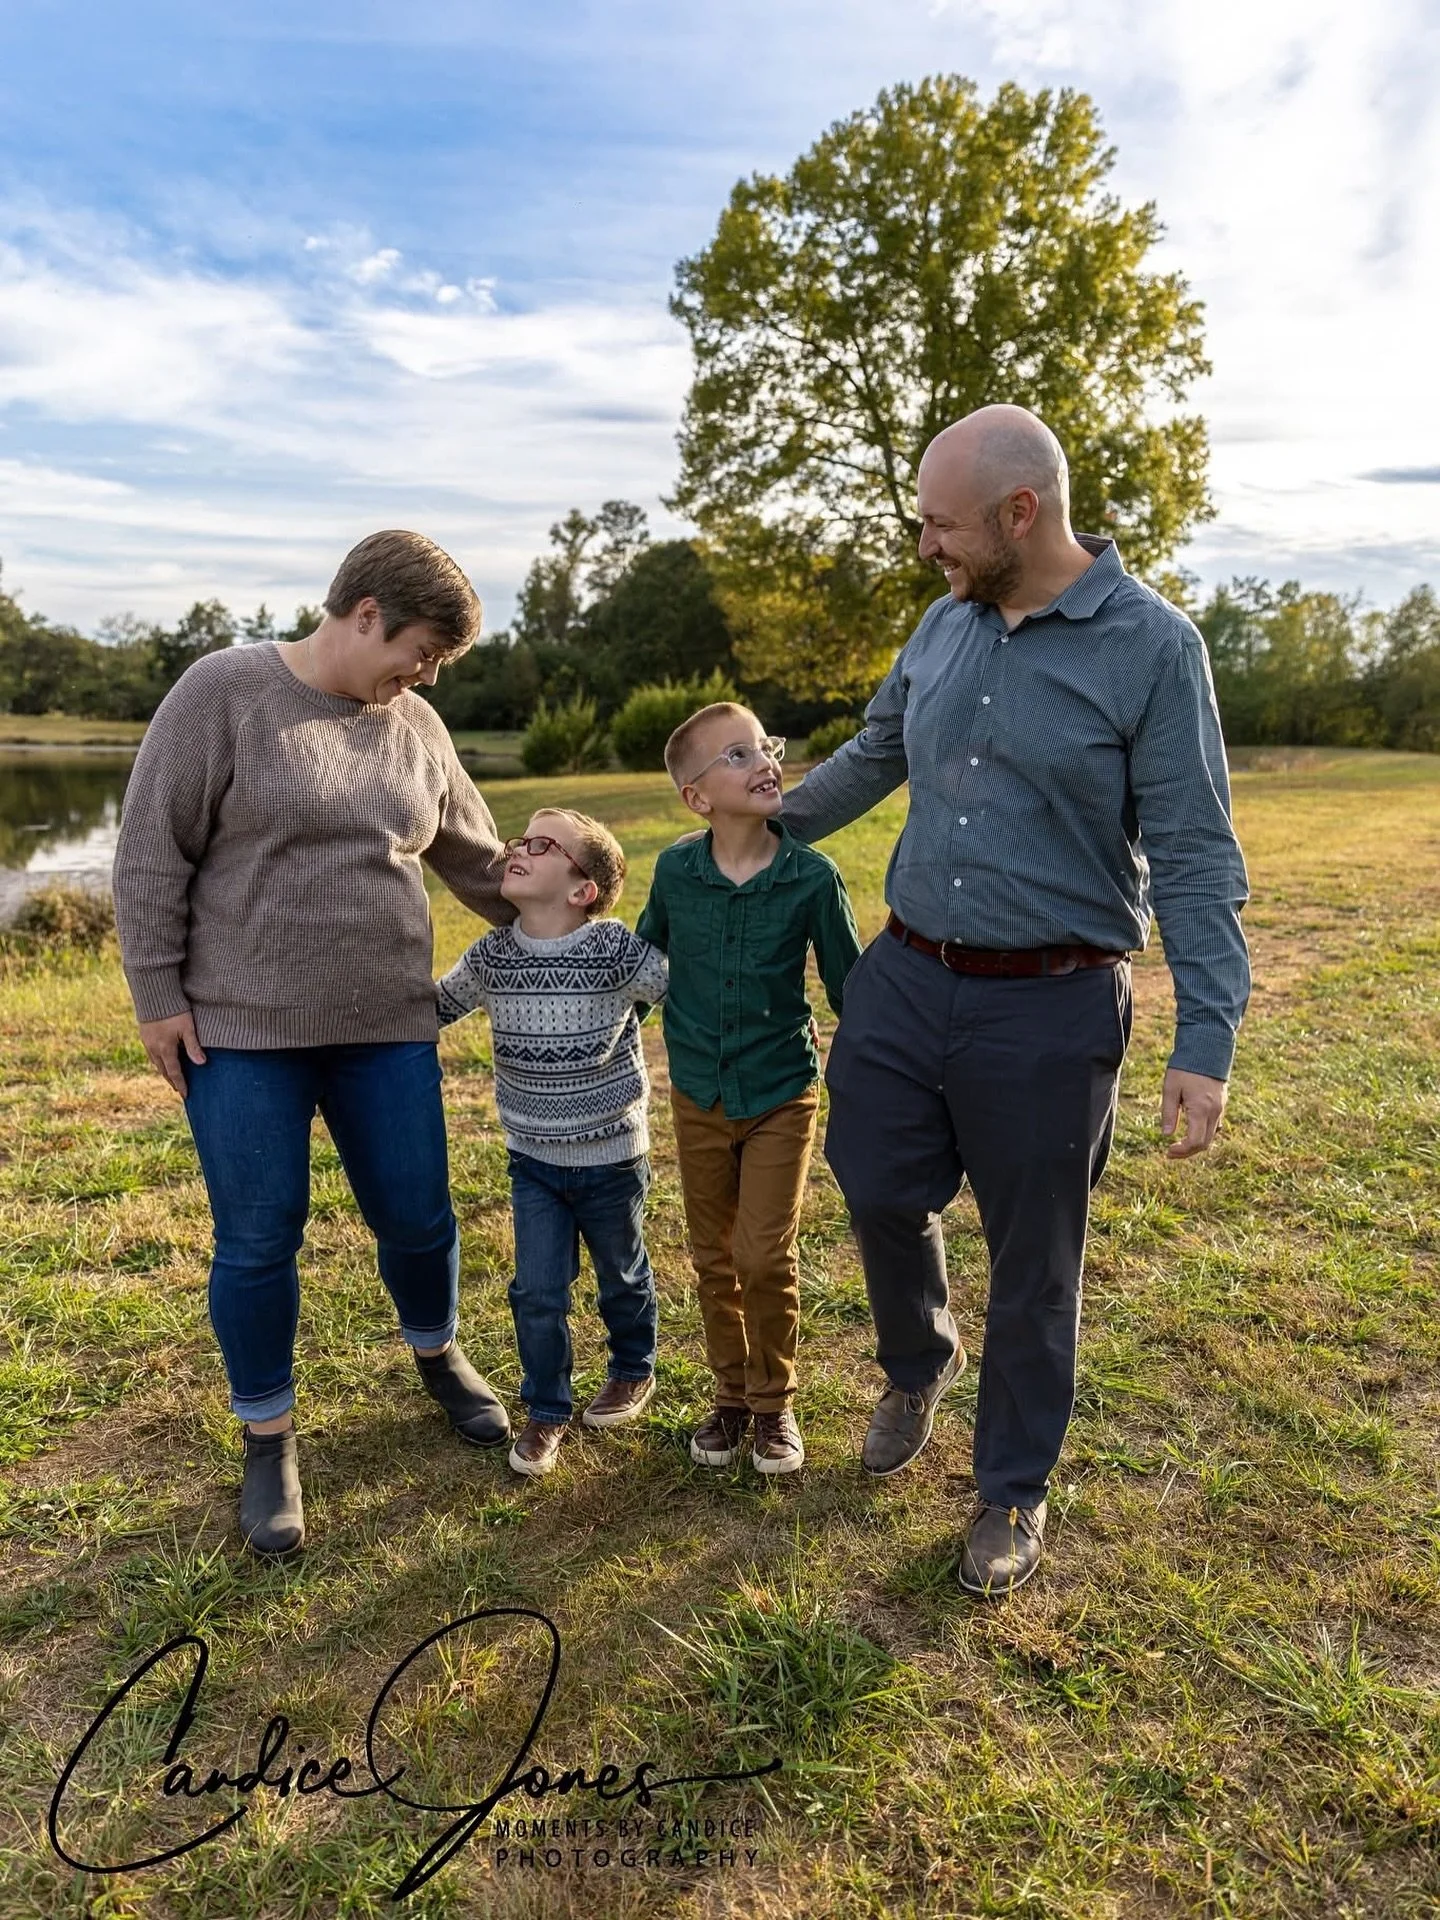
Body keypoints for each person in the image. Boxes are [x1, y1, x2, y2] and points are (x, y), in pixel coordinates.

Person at [781, 405, 1251, 1597]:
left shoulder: (1154, 647)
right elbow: (876, 750)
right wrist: (767, 817)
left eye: (941, 525)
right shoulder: (943, 623)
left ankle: (1010, 1489)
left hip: (1051, 1003)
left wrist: (1206, 1038)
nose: (925, 546)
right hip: (905, 975)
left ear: (1019, 514)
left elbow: (1196, 853)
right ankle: (919, 1361)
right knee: (875, 1181)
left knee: (1035, 1261)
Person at [113, 529, 517, 1558]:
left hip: (387, 1024)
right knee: (259, 1237)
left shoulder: (415, 724)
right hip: (243, 1033)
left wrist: (579, 931)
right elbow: (150, 851)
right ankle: (268, 1436)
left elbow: (479, 860)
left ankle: (437, 1353)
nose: (425, 676)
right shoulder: (222, 693)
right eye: (422, 652)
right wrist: (157, 994)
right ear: (367, 613)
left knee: (418, 1214)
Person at [637, 703, 863, 1475]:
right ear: (697, 797)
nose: (765, 761)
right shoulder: (676, 873)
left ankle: (774, 1404)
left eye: (766, 746)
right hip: (697, 1092)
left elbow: (851, 991)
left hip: (780, 1092)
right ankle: (730, 1398)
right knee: (713, 1257)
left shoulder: (812, 878)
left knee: (762, 1254)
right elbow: (646, 967)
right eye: (738, 754)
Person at [436, 808, 669, 1478]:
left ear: (582, 890)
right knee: (537, 1293)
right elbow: (434, 1008)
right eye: (522, 840)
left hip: (612, 1156)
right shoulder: (492, 957)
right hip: (533, 1161)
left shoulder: (614, 948)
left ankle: (633, 1367)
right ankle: (546, 1409)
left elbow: (681, 991)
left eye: (543, 846)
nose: (519, 848)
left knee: (622, 1277)